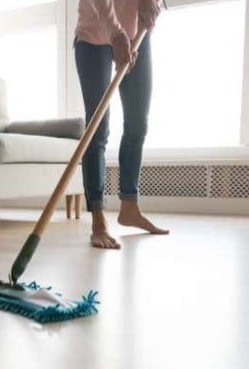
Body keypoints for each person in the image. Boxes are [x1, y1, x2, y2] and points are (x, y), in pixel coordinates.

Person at [75, 0, 169, 249]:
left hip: (135, 33)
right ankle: (98, 219)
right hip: (93, 36)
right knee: (97, 127)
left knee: (138, 123)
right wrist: (116, 32)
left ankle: (130, 207)